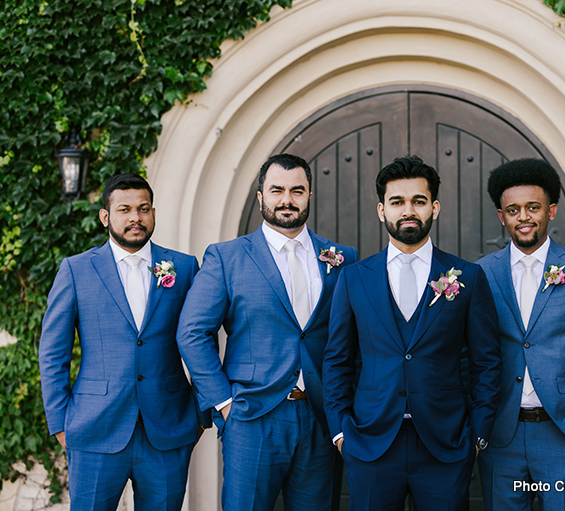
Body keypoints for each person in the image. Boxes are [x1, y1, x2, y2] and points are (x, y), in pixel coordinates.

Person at [176, 153, 357, 511]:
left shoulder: (341, 257)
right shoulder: (227, 257)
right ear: (260, 197)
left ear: (309, 195)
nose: (287, 200)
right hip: (252, 417)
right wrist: (225, 404)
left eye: (296, 191)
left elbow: (353, 337)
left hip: (322, 418)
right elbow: (192, 332)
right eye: (277, 190)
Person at [322, 155, 502, 511]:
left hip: (445, 444)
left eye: (418, 201)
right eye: (397, 202)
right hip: (371, 444)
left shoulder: (466, 277)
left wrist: (476, 436)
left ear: (434, 208)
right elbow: (337, 360)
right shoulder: (354, 278)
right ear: (381, 210)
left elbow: (487, 361)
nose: (408, 210)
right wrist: (342, 433)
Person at [39, 173, 204, 511]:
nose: (135, 218)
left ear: (154, 213)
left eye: (143, 209)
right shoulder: (76, 270)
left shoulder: (185, 268)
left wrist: (200, 412)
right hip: (94, 428)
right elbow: (52, 351)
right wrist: (60, 423)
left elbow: (202, 339)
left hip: (168, 429)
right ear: (106, 216)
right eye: (125, 209)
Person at [475, 158, 565, 511]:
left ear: (551, 211)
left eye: (533, 207)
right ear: (502, 216)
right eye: (513, 210)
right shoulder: (481, 274)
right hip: (501, 435)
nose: (524, 217)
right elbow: (470, 354)